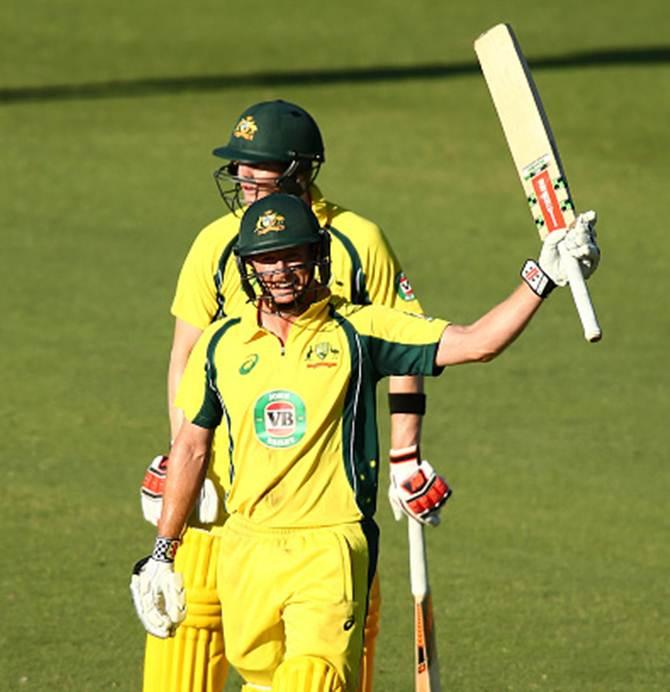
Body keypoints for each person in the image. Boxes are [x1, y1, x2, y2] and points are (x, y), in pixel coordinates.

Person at [131, 193, 600, 692]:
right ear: (248, 266)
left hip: (329, 545)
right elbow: (190, 450)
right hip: (246, 547)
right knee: (265, 682)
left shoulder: (360, 330)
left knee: (312, 680)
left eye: (295, 254)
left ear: (318, 257)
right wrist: (163, 553)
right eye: (268, 258)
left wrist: (542, 277)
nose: (282, 269)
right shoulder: (220, 345)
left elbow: (476, 341)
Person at [139, 100, 429, 692]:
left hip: (325, 505)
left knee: (317, 666)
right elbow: (186, 359)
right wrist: (179, 455)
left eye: (257, 168)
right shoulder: (217, 242)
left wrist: (405, 455)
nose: (242, 180)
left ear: (300, 172)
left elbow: (407, 342)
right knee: (185, 629)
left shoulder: (359, 240)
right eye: (238, 169)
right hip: (220, 489)